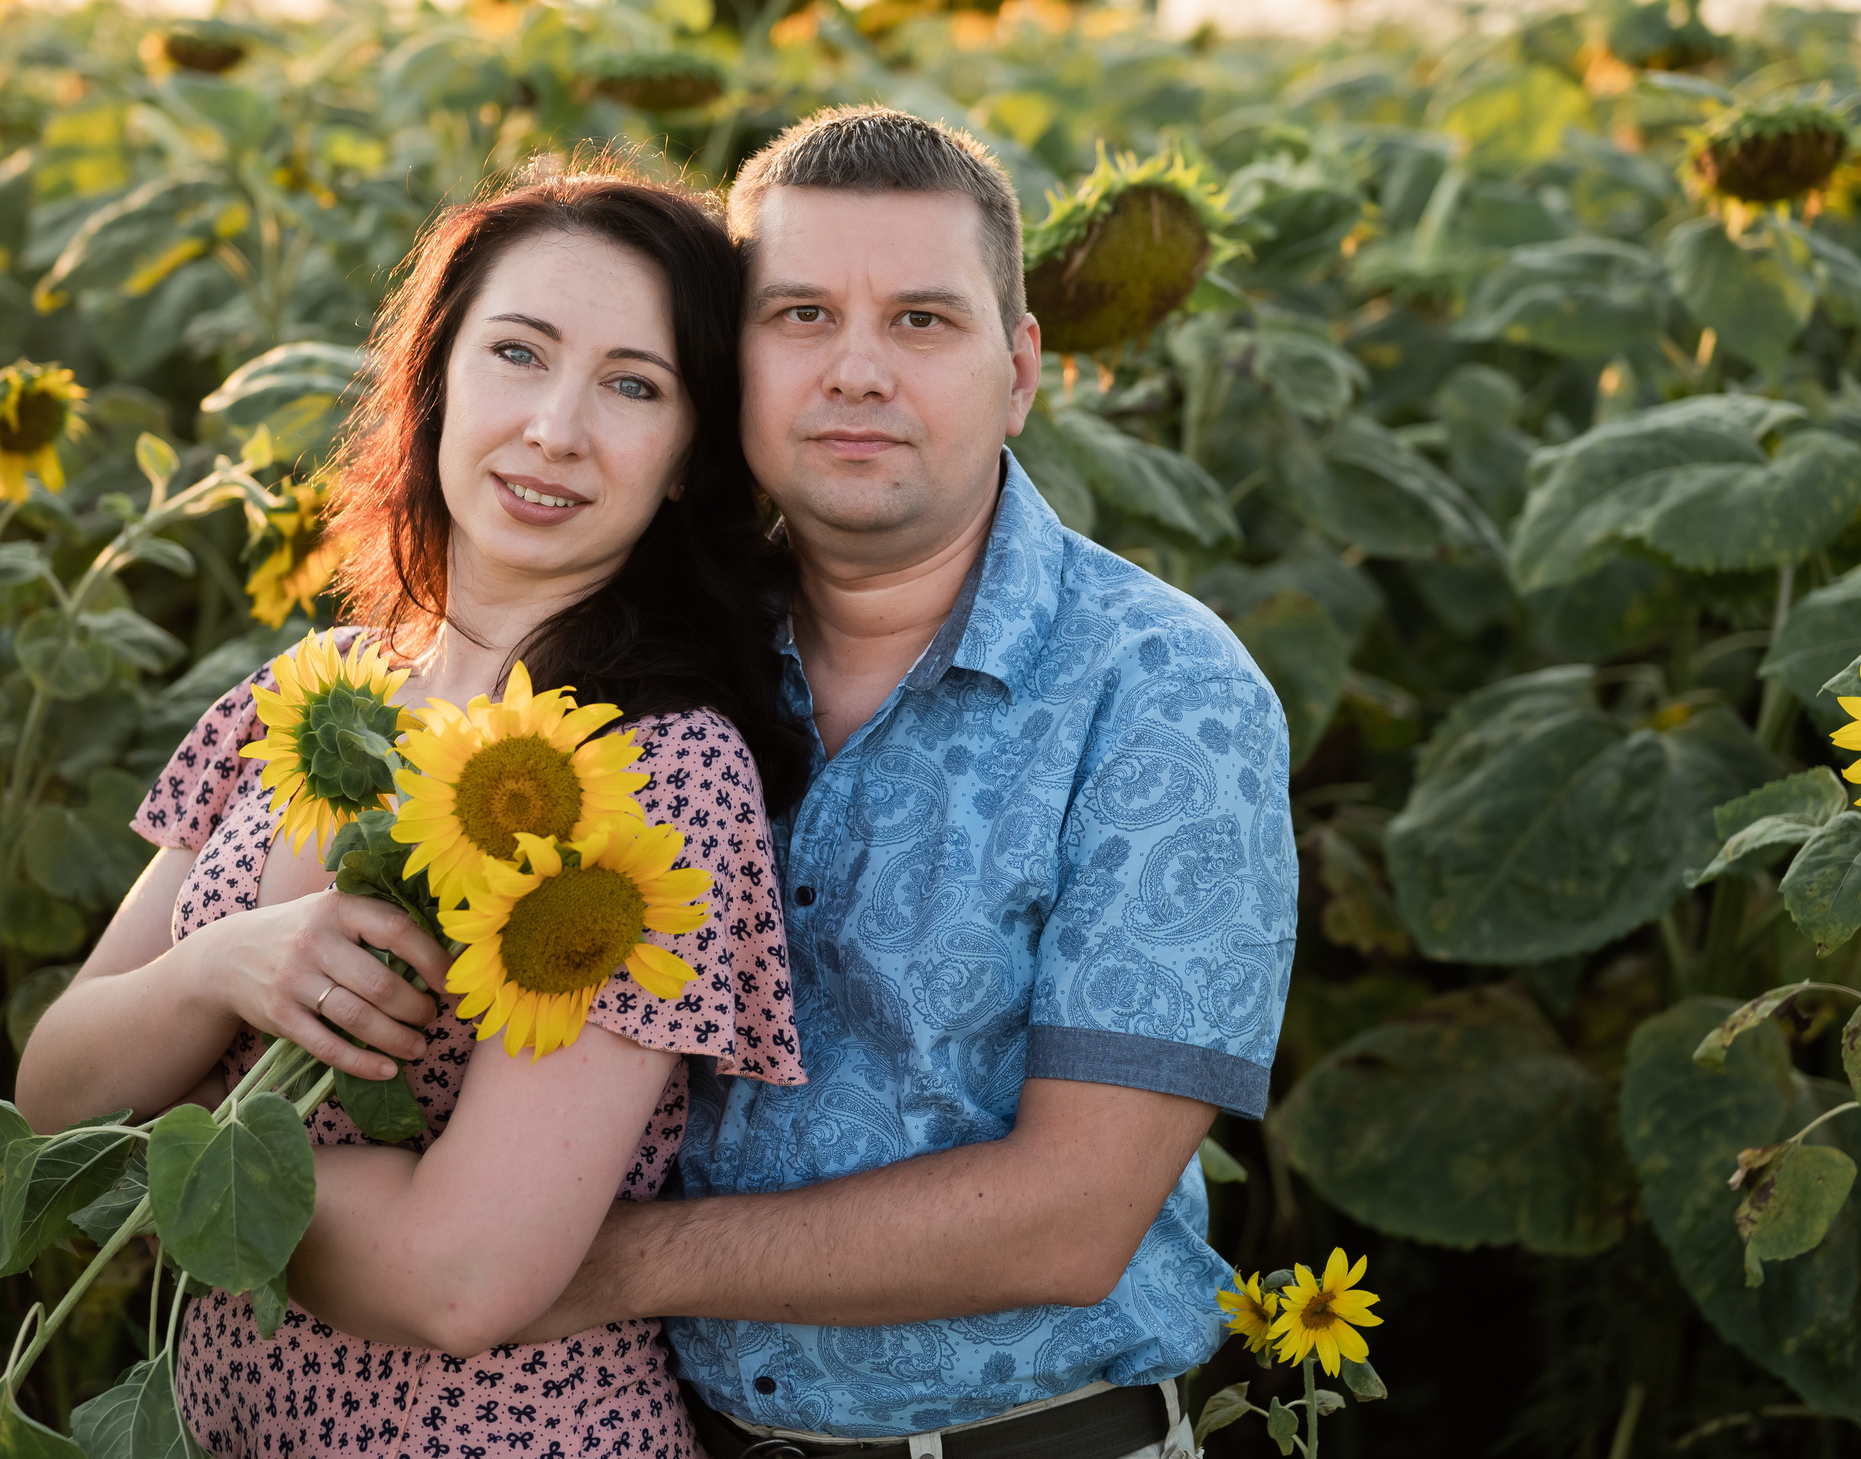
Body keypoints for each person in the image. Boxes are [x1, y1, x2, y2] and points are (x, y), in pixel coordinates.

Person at [520, 107, 1299, 1459]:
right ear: (730, 365)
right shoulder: (636, 668)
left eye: (924, 321)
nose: (858, 371)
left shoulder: (1166, 694)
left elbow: (1071, 1215)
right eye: (802, 314)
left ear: (1020, 369)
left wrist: (578, 1265)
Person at [15, 166, 811, 1458]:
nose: (555, 427)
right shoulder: (303, 692)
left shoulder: (650, 776)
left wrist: (169, 1174)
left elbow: (464, 1274)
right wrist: (227, 967)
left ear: (687, 460)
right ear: (437, 380)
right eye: (517, 353)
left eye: (633, 385)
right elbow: (53, 1085)